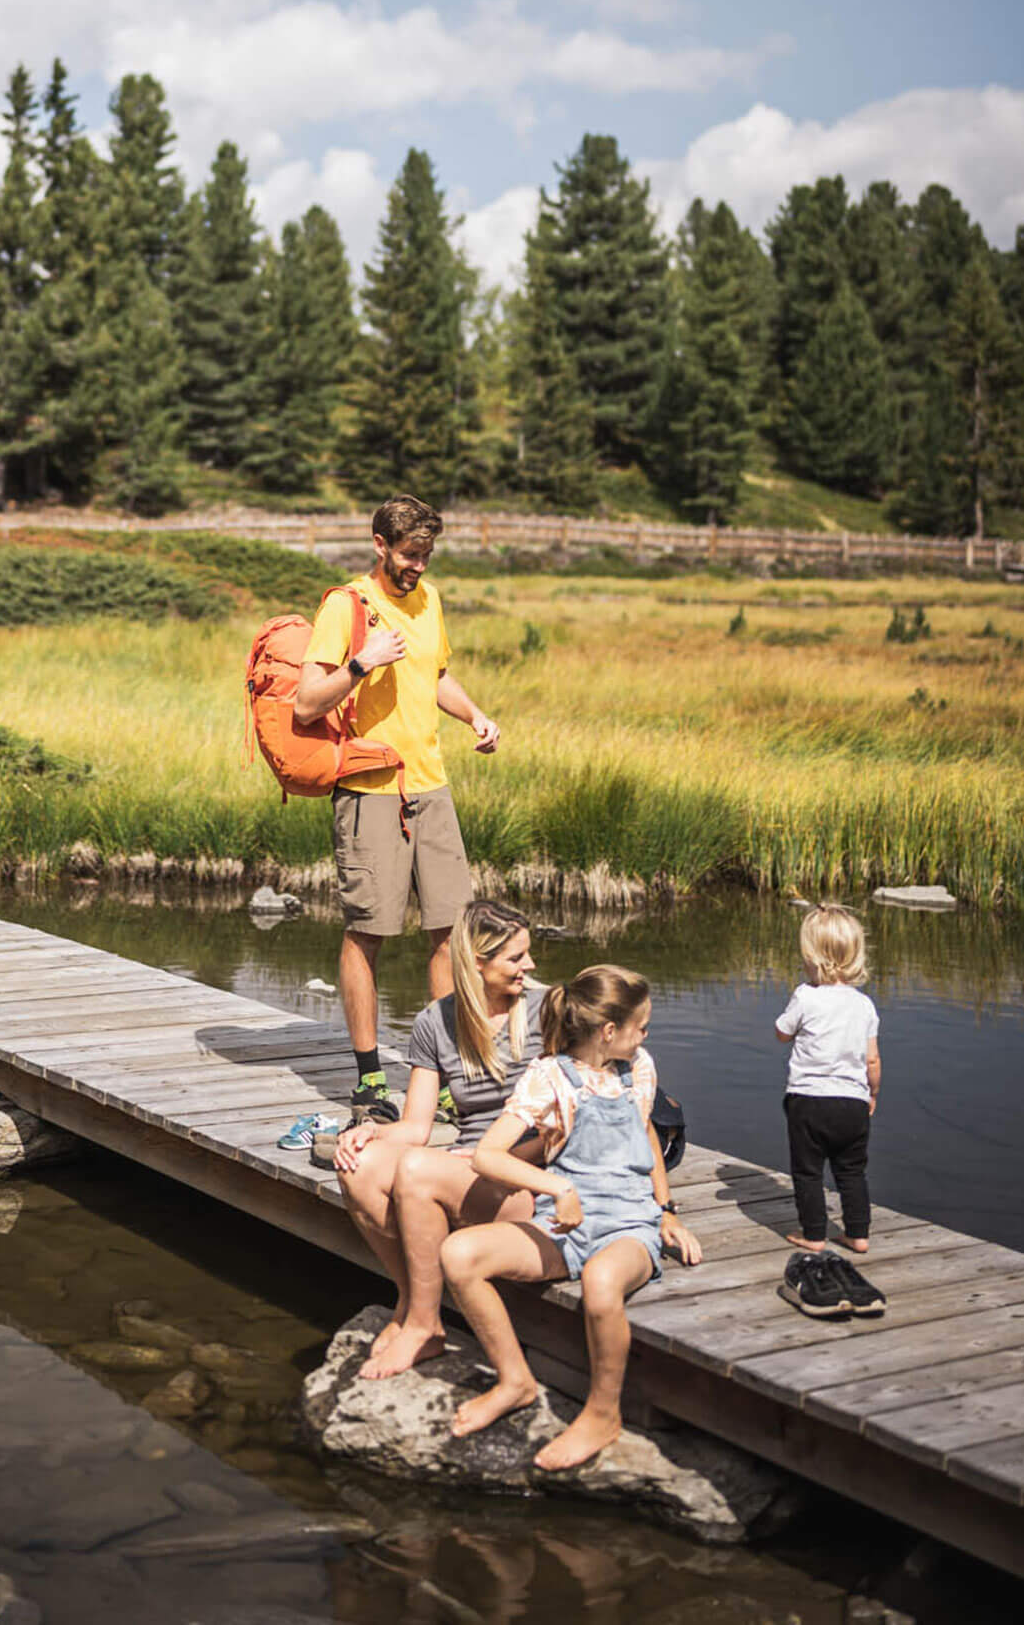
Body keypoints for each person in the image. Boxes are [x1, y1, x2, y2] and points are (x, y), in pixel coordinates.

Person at [439, 964, 701, 1471]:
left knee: (602, 1282)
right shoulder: (550, 1077)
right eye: (640, 1025)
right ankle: (514, 1379)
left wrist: (665, 1211)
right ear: (609, 1031)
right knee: (459, 1254)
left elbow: (646, 1133)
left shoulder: (639, 1068)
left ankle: (603, 1414)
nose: (646, 1035)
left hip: (629, 1226)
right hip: (565, 1226)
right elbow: (488, 1156)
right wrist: (556, 1186)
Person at [295, 492, 500, 1122]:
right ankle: (368, 1081)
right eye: (410, 555)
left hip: (430, 787)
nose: (418, 566)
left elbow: (435, 675)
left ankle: (438, 1074)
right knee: (369, 933)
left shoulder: (430, 600)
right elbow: (306, 704)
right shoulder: (345, 605)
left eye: (427, 555)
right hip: (369, 792)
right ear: (380, 545)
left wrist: (475, 714)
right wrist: (362, 662)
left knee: (448, 932)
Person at [333, 900, 545, 1380]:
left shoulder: (547, 1011)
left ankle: (425, 1326)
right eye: (516, 958)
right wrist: (370, 1132)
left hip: (528, 1178)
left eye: (527, 955)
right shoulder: (434, 1022)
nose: (529, 967)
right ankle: (411, 1301)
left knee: (415, 1169)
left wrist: (497, 1158)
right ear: (476, 964)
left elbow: (572, 1124)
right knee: (358, 1164)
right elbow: (416, 1128)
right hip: (465, 1169)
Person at [775, 904, 881, 1254]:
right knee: (851, 1171)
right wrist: (873, 1094)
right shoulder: (864, 1005)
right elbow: (872, 1059)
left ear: (811, 957)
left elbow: (782, 1032)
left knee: (807, 1171)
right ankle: (858, 1234)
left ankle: (815, 1235)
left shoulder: (806, 995)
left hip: (809, 1100)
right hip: (852, 1101)